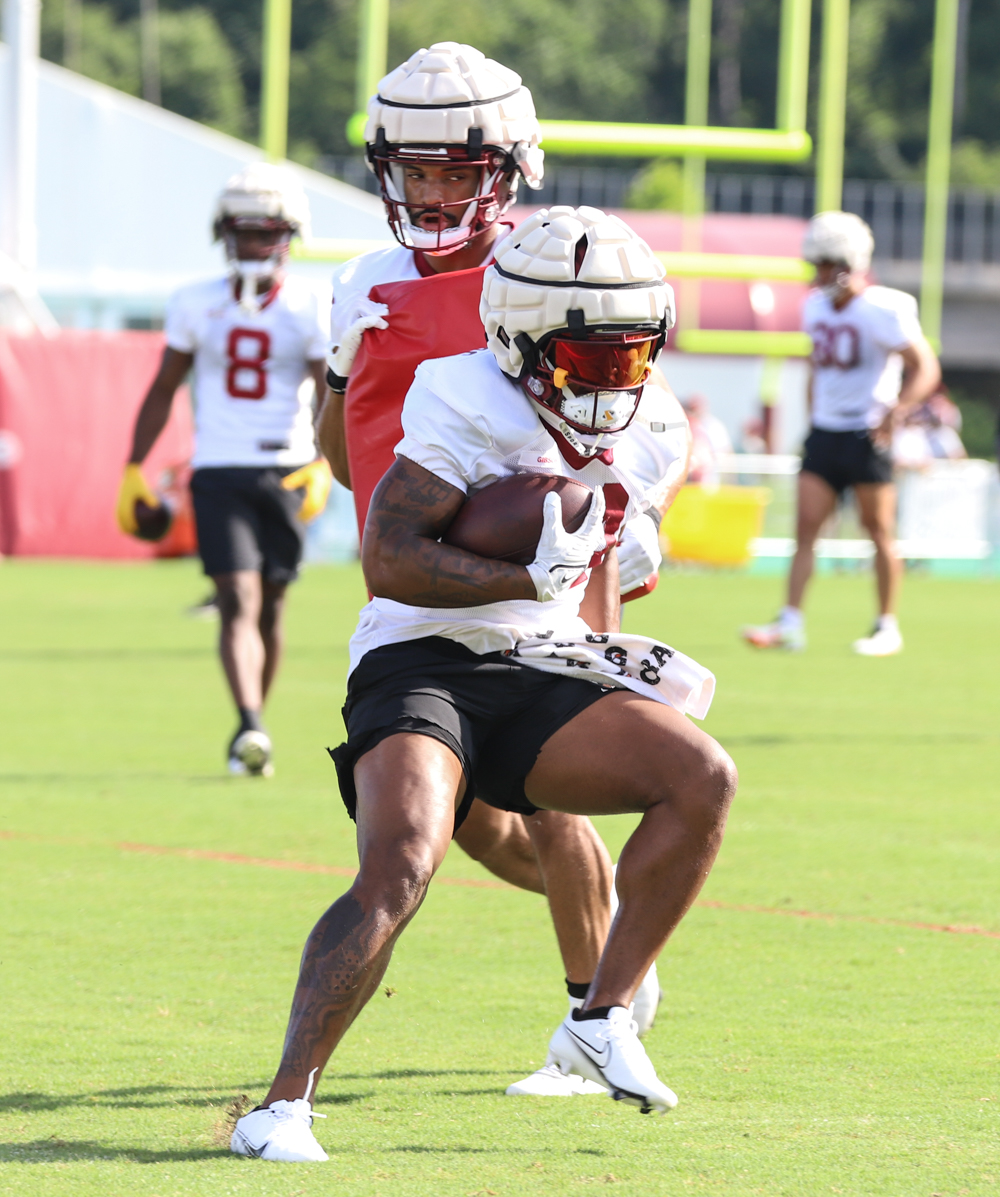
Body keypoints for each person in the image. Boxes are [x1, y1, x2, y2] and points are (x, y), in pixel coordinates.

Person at [229, 206, 736, 1162]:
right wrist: (519, 576)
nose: (615, 381)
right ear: (522, 342)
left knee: (701, 776)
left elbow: (589, 565)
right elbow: (390, 557)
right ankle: (280, 1108)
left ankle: (601, 1014)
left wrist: (602, 650)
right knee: (403, 863)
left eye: (632, 356)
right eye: (590, 360)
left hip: (541, 660)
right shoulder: (460, 393)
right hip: (422, 656)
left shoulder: (652, 418)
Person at [315, 43, 690, 1099]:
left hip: (540, 577)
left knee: (554, 799)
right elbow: (344, 452)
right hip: (417, 580)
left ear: (509, 168)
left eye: (456, 170)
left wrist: (598, 602)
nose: (433, 191)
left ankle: (594, 1008)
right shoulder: (361, 283)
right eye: (415, 170)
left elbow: (632, 423)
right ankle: (615, 954)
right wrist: (340, 384)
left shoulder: (556, 265)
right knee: (479, 829)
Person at [116, 164, 333, 776]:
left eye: (266, 233)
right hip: (218, 468)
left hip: (288, 469)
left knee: (272, 607)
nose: (254, 245)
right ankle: (250, 724)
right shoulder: (194, 301)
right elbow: (164, 386)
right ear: (223, 234)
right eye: (243, 232)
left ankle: (252, 724)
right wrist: (134, 464)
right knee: (238, 598)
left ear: (289, 235)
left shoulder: (310, 302)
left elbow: (328, 393)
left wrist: (324, 459)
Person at [742, 211, 940, 657]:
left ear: (850, 262)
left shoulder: (885, 307)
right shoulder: (814, 306)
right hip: (827, 432)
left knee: (878, 529)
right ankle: (791, 622)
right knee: (806, 527)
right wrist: (813, 420)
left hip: (866, 432)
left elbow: (925, 366)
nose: (821, 274)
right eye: (819, 264)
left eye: (828, 263)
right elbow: (817, 367)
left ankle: (887, 625)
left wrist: (897, 411)